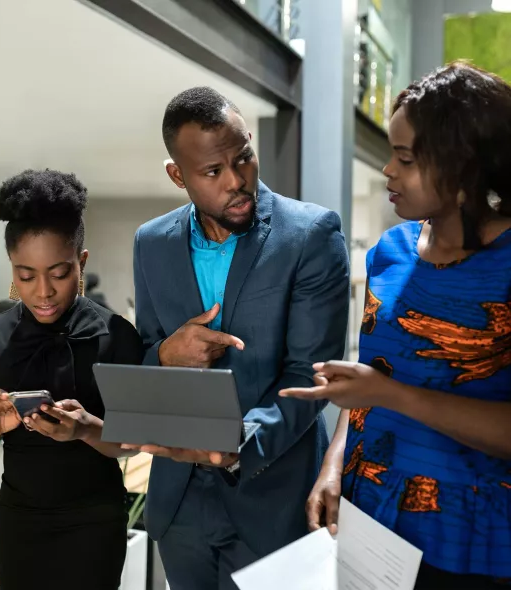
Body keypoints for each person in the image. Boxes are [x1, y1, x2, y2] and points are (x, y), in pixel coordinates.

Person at [281, 62, 511, 589]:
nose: (387, 170)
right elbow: (368, 379)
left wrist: (390, 394)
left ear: (465, 169)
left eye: (404, 159)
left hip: (471, 540)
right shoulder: (391, 252)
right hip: (372, 517)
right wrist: (334, 464)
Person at [129, 86, 350, 589]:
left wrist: (238, 444)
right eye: (212, 172)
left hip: (271, 496)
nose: (237, 181)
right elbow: (143, 350)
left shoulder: (311, 234)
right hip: (180, 504)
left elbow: (311, 374)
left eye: (243, 158)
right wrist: (165, 353)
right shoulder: (151, 243)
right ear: (177, 175)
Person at [0, 169, 144, 590]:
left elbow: (132, 442)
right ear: (12, 268)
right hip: (20, 517)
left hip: (95, 517)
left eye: (59, 273)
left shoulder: (116, 335)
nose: (43, 291)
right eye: (26, 276)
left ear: (82, 261)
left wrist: (85, 429)